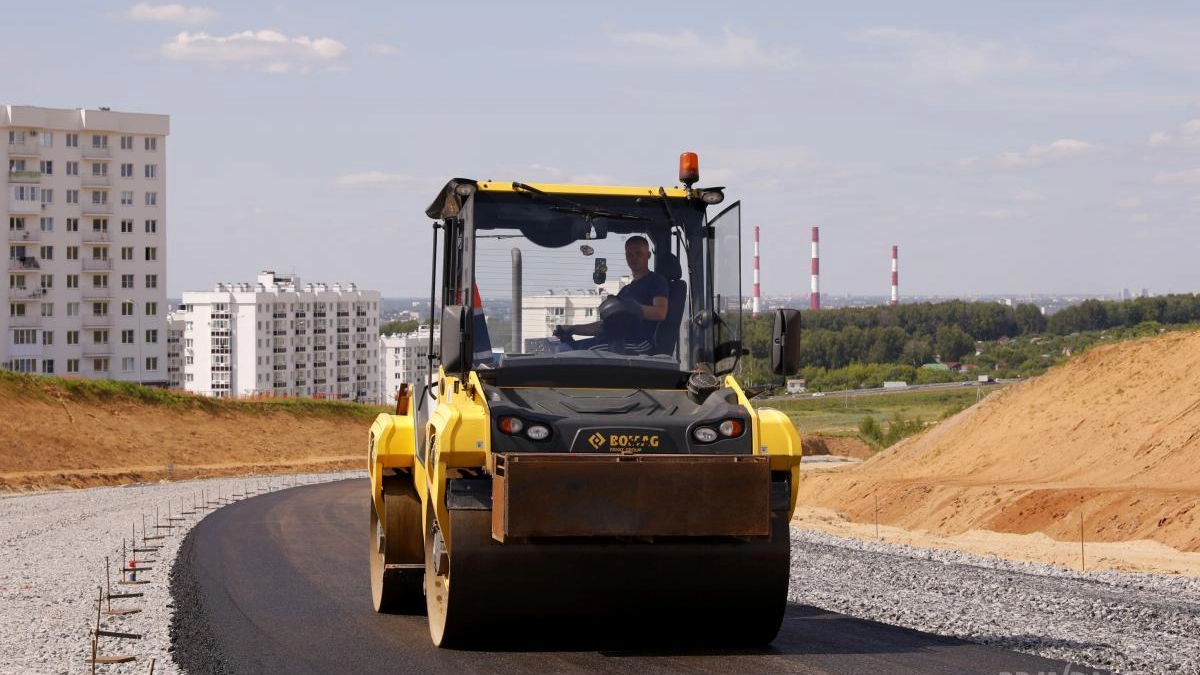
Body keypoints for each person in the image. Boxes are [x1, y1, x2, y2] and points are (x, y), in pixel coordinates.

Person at [555, 235, 669, 354]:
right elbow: (604, 326)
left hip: (640, 343)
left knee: (585, 353)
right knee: (569, 348)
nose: (633, 258)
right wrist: (572, 329)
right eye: (629, 254)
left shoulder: (656, 281)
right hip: (618, 340)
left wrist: (630, 308)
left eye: (638, 253)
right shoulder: (625, 290)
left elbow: (660, 312)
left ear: (648, 255)